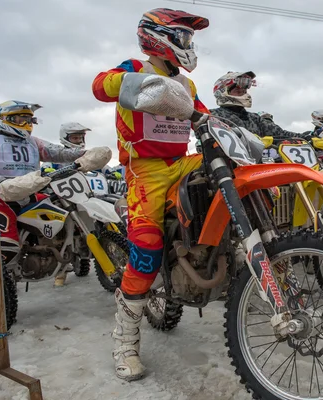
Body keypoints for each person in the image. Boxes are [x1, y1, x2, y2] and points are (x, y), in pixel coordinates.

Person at [92, 8, 211, 381]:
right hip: (145, 171)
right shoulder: (134, 66)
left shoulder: (188, 87)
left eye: (190, 40)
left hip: (182, 162)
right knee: (145, 247)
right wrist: (132, 83)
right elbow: (99, 86)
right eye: (185, 38)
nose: (189, 46)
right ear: (159, 37)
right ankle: (125, 339)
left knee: (231, 179)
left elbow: (205, 116)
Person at [0, 101, 110, 287]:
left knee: (60, 207)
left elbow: (59, 153)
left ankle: (60, 252)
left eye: (29, 118)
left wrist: (86, 154)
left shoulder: (33, 142)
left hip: (31, 191)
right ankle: (6, 268)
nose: (27, 122)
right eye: (21, 118)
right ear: (6, 119)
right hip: (3, 194)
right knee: (7, 237)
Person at [209, 71, 305, 139]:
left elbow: (280, 134)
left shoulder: (254, 118)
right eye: (238, 91)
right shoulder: (212, 115)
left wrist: (307, 137)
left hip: (258, 164)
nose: (243, 93)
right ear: (221, 91)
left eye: (244, 91)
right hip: (225, 164)